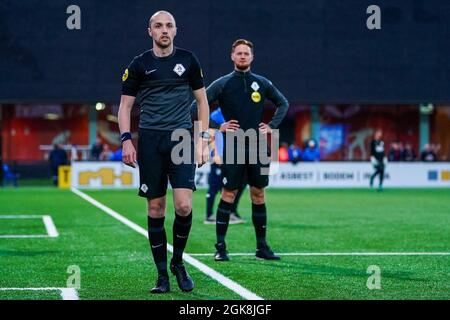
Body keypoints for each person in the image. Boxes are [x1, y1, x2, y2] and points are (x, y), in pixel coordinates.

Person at [117, 11, 209, 294]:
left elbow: (203, 103)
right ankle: (161, 275)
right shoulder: (139, 65)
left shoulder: (189, 60)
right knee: (156, 208)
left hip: (181, 138)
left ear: (175, 30)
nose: (164, 30)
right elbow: (124, 107)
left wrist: (202, 139)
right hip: (150, 140)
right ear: (150, 32)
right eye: (159, 26)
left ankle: (178, 263)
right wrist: (126, 140)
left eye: (169, 26)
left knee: (184, 206)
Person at [192, 39, 289, 262]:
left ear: (252, 57)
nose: (243, 56)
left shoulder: (262, 83)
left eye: (246, 53)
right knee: (228, 194)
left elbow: (283, 103)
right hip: (234, 147)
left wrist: (271, 126)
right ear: (232, 56)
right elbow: (195, 107)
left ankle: (262, 248)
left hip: (257, 146)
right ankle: (220, 247)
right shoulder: (222, 84)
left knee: (259, 194)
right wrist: (218, 126)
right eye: (239, 53)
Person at [204, 107, 246, 225]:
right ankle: (209, 215)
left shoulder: (234, 113)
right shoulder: (216, 115)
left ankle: (231, 212)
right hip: (219, 156)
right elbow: (210, 134)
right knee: (215, 186)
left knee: (238, 185)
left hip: (233, 156)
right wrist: (215, 154)